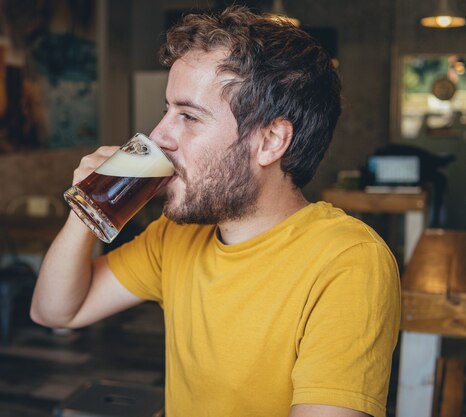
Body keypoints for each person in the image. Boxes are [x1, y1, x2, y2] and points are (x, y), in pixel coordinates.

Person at [31, 6, 400, 417]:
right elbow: (55, 311)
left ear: (270, 141)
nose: (157, 136)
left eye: (188, 115)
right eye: (166, 110)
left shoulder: (348, 262)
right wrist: (86, 209)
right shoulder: (175, 235)